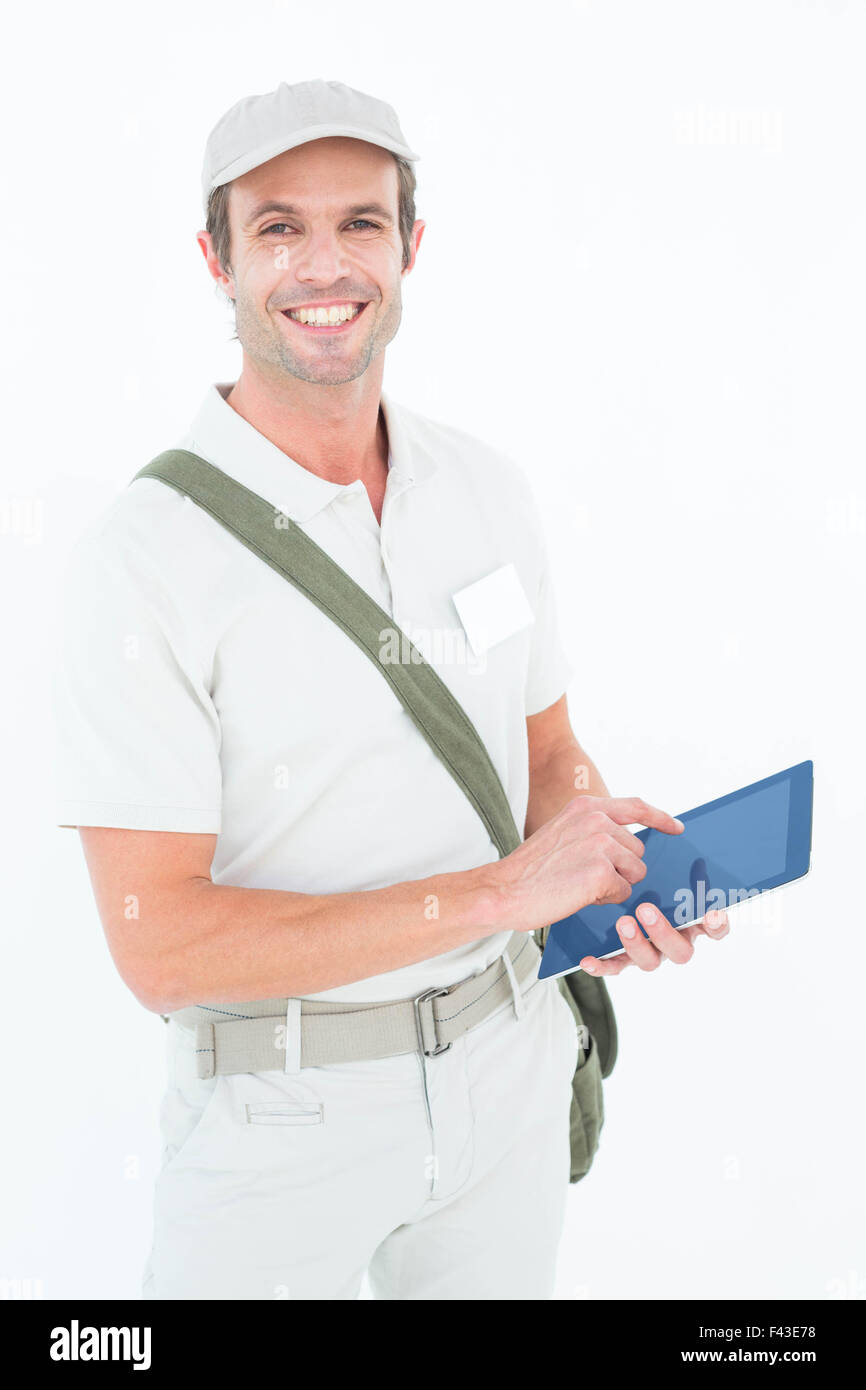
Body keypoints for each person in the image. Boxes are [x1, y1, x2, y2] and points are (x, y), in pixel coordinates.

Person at [52, 78, 730, 1301]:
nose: (325, 263)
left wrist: (592, 867)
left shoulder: (483, 490)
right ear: (215, 257)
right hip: (277, 1120)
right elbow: (161, 947)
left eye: (360, 222)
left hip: (506, 1074)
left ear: (410, 245)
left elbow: (547, 747)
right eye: (277, 227)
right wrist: (501, 889)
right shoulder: (140, 561)